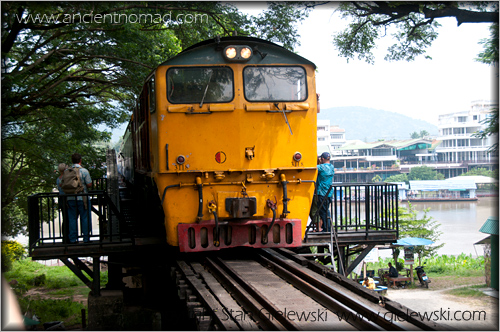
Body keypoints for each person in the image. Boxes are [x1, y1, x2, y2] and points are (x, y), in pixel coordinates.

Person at [66, 153, 92, 243]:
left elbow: (62, 184)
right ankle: (86, 238)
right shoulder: (84, 171)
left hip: (70, 198)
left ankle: (73, 239)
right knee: (85, 218)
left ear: (72, 160)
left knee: (72, 219)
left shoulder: (67, 171)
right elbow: (89, 184)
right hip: (82, 198)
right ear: (80, 160)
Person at [316, 152, 334, 232]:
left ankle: (327, 229)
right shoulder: (332, 167)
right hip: (329, 193)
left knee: (323, 211)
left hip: (322, 192)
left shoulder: (321, 167)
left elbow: (312, 167)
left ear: (322, 159)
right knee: (326, 210)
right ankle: (326, 227)